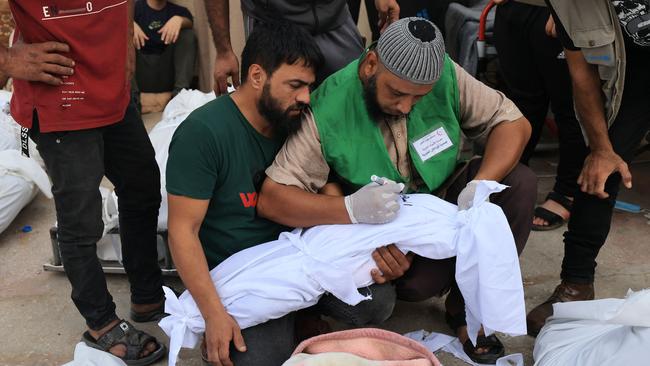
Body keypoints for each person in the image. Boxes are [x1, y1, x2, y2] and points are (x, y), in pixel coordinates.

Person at [257, 17, 536, 365]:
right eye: (397, 93)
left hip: (443, 203)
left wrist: (478, 189)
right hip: (383, 231)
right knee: (418, 285)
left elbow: (513, 123)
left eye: (419, 98)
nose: (406, 107)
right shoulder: (328, 106)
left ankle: (467, 312)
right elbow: (273, 198)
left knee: (519, 183)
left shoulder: (444, 74)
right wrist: (354, 213)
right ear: (371, 65)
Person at [2, 1, 166, 365]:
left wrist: (124, 43)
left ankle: (147, 293)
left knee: (142, 186)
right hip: (60, 97)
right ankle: (101, 323)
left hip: (112, 91)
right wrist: (6, 60)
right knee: (81, 219)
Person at [165, 21, 326, 366]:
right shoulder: (202, 133)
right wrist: (213, 315)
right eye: (295, 85)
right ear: (256, 76)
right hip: (237, 277)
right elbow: (182, 231)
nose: (306, 98)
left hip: (296, 260)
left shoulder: (296, 121)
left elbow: (327, 187)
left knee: (376, 301)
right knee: (259, 358)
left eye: (309, 86)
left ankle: (299, 316)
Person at [526, 0, 650, 336]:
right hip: (633, 80)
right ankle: (576, 284)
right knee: (600, 171)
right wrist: (601, 149)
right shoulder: (570, 4)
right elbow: (582, 74)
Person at [492, 0, 588, 231]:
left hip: (561, 10)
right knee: (518, 102)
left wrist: (565, 6)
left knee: (569, 106)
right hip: (515, 9)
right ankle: (509, 179)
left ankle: (567, 190)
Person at [204, 0, 400, 95]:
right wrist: (223, 50)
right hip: (276, 23)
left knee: (357, 95)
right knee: (280, 110)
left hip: (334, 17)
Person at [133, 0, 196, 96]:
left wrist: (179, 20)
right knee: (122, 35)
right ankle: (132, 98)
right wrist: (129, 25)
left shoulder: (178, 11)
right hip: (140, 73)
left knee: (187, 34)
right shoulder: (134, 9)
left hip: (166, 73)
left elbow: (190, 22)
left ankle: (180, 94)